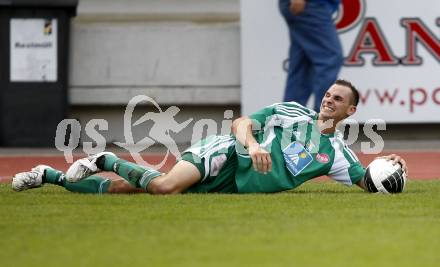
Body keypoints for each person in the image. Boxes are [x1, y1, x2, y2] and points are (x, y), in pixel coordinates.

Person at [12, 79, 408, 194]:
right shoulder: (293, 111)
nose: (328, 100)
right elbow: (240, 123)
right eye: (327, 94)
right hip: (227, 153)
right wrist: (252, 145)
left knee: (125, 192)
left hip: (236, 186)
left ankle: (51, 176)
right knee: (166, 187)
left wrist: (393, 166)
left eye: (337, 99)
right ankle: (102, 158)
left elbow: (367, 181)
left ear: (350, 112)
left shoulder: (337, 153)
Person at [279, 0, 343, 111]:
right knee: (330, 58)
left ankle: (288, 123)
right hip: (310, 5)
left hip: (311, 6)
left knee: (303, 67)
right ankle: (321, 122)